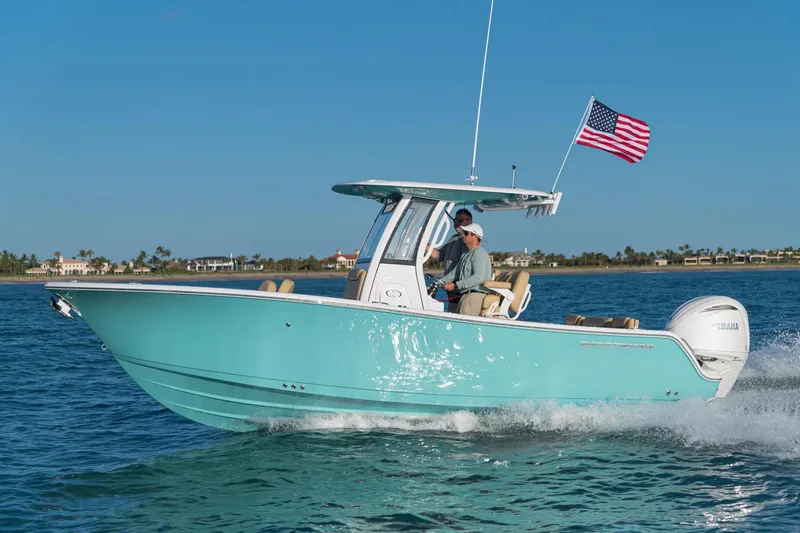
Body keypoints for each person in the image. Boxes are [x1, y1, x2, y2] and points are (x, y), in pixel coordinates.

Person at [439, 223, 492, 316]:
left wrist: (455, 285)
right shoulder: (465, 254)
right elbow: (453, 274)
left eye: (466, 233)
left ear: (474, 236)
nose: (463, 235)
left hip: (474, 297)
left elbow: (477, 278)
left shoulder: (479, 253)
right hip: (465, 296)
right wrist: (438, 283)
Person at [426, 208, 472, 311]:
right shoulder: (453, 238)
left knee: (458, 313)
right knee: (452, 311)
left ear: (469, 221)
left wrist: (454, 283)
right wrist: (424, 244)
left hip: (459, 286)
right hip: (450, 286)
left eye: (460, 220)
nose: (456, 222)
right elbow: (439, 256)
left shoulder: (468, 241)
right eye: (454, 220)